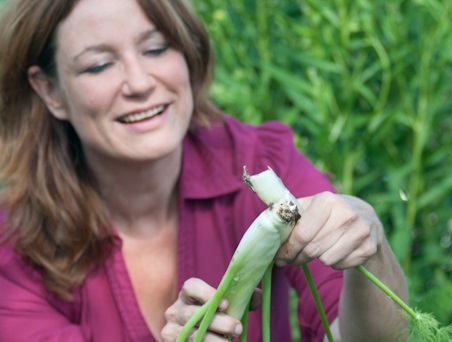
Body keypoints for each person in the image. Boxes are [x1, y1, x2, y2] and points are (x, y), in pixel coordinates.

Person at [0, 0, 408, 341]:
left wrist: (370, 249)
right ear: (50, 91)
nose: (140, 82)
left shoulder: (261, 164)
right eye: (99, 65)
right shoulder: (15, 248)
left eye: (156, 49)